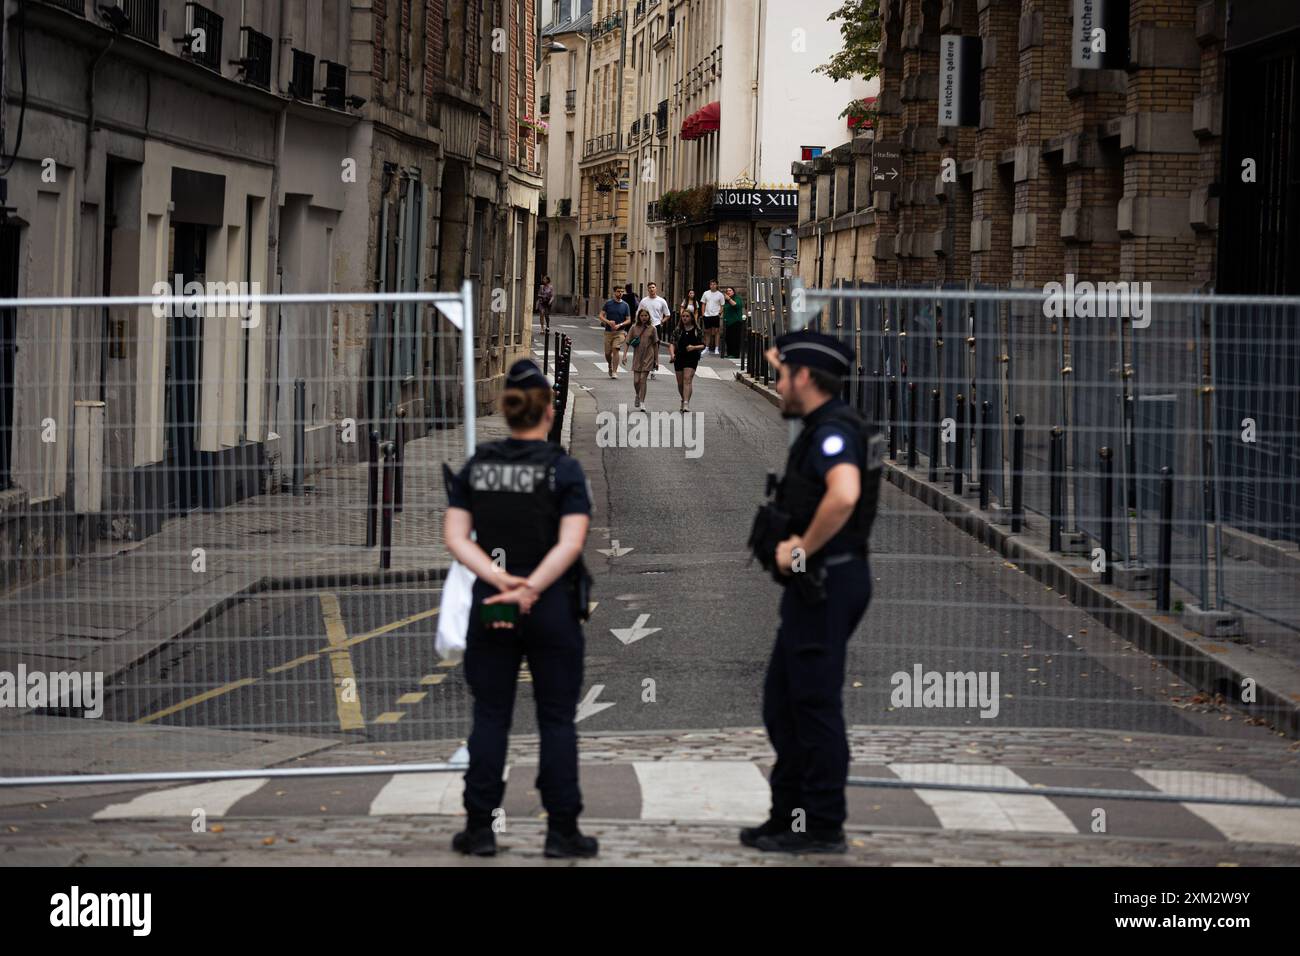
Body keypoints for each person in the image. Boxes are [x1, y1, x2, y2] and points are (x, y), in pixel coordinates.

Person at [443, 358, 598, 860]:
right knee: (556, 719)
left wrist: (498, 578)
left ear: (508, 410)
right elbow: (571, 543)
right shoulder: (563, 470)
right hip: (551, 606)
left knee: (490, 717)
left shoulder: (479, 465)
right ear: (549, 412)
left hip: (493, 606)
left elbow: (454, 538)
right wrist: (532, 586)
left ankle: (480, 828)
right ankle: (561, 831)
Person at [742, 330, 883, 855]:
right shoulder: (825, 421)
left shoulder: (834, 431)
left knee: (812, 706)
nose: (777, 384)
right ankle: (788, 816)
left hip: (827, 579)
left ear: (805, 378)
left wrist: (799, 547)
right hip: (820, 583)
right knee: (785, 703)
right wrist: (783, 353)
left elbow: (844, 495)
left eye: (782, 376)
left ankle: (820, 824)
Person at [668, 307, 706, 412]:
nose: (685, 318)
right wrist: (672, 354)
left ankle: (686, 403)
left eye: (687, 316)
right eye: (683, 316)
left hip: (692, 357)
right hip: (679, 356)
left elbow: (703, 345)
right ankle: (683, 399)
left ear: (692, 318)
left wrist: (694, 347)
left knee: (687, 379)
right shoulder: (678, 330)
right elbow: (672, 343)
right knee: (680, 383)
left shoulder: (697, 330)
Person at [627, 307, 659, 410]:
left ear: (649, 316)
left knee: (642, 379)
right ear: (638, 317)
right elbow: (628, 342)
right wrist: (624, 355)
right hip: (637, 357)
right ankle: (637, 394)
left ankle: (642, 402)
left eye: (646, 315)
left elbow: (655, 345)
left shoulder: (652, 329)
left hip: (648, 356)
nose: (644, 317)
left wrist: (656, 360)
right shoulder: (634, 328)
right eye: (642, 316)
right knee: (636, 381)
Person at [639, 282, 672, 377]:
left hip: (656, 326)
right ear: (647, 289)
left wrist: (662, 322)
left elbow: (668, 314)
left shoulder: (661, 301)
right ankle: (645, 365)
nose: (651, 289)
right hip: (645, 326)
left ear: (656, 289)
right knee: (644, 346)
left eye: (653, 287)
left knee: (655, 347)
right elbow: (639, 313)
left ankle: (653, 367)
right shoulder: (644, 301)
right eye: (650, 288)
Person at [599, 285, 631, 379]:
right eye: (618, 291)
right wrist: (608, 322)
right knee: (607, 353)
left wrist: (620, 325)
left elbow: (628, 320)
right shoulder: (608, 303)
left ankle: (614, 371)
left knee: (615, 349)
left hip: (620, 332)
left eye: (622, 291)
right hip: (608, 332)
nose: (620, 293)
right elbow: (601, 315)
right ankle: (610, 364)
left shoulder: (625, 305)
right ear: (614, 292)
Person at [700, 279, 726, 354]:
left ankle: (716, 348)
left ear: (717, 285)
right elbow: (703, 304)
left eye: (714, 284)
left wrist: (719, 313)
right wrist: (703, 313)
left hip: (715, 315)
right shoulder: (706, 293)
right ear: (709, 285)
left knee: (716, 331)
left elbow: (722, 305)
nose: (712, 286)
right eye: (711, 284)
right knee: (707, 331)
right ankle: (707, 347)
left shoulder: (720, 294)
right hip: (707, 315)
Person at [722, 286, 746, 359]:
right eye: (727, 291)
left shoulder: (737, 298)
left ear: (733, 292)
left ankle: (735, 354)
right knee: (728, 338)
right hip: (728, 322)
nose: (728, 292)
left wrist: (729, 299)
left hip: (735, 322)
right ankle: (730, 353)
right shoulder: (726, 300)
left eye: (730, 290)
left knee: (735, 339)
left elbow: (736, 305)